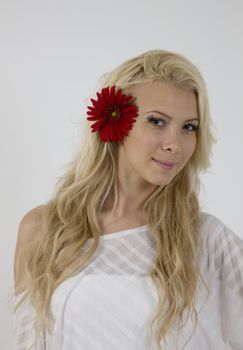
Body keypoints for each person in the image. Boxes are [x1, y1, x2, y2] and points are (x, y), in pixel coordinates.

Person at [13, 49, 243, 350]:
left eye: (189, 127)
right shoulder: (45, 230)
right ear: (114, 122)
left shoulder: (206, 238)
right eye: (157, 121)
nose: (175, 144)